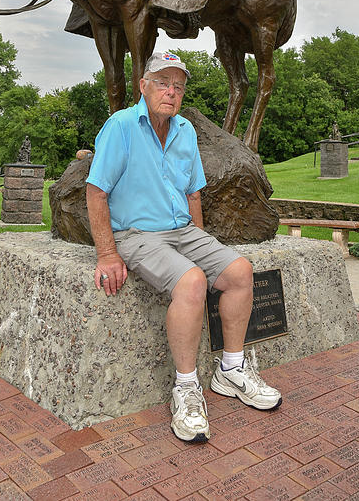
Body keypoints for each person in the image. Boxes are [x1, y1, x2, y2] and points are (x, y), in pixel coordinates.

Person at [85, 50, 281, 443]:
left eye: (178, 85)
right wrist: (107, 253)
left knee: (240, 271)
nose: (171, 92)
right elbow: (96, 191)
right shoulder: (120, 126)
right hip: (138, 235)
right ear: (143, 85)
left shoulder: (185, 131)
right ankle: (187, 388)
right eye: (162, 82)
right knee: (191, 282)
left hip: (183, 230)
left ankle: (231, 369)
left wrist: (202, 242)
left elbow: (193, 194)